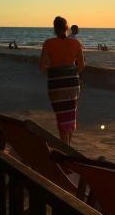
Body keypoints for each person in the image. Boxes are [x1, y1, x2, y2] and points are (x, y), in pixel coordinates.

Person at [40, 16, 85, 145]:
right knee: (70, 115)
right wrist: (70, 73)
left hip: (56, 84)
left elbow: (42, 66)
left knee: (61, 116)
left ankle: (65, 149)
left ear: (54, 28)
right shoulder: (76, 43)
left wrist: (55, 72)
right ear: (67, 28)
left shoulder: (48, 43)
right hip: (72, 84)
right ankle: (68, 147)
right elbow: (81, 66)